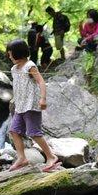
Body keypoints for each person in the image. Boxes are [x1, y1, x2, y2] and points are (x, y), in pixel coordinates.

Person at [6, 38, 60, 172]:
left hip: (31, 105)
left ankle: (51, 156)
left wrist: (43, 99)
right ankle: (22, 158)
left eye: (10, 53)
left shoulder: (30, 66)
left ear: (18, 53)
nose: (9, 56)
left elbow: (41, 82)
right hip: (20, 106)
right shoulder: (14, 69)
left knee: (34, 133)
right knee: (14, 131)